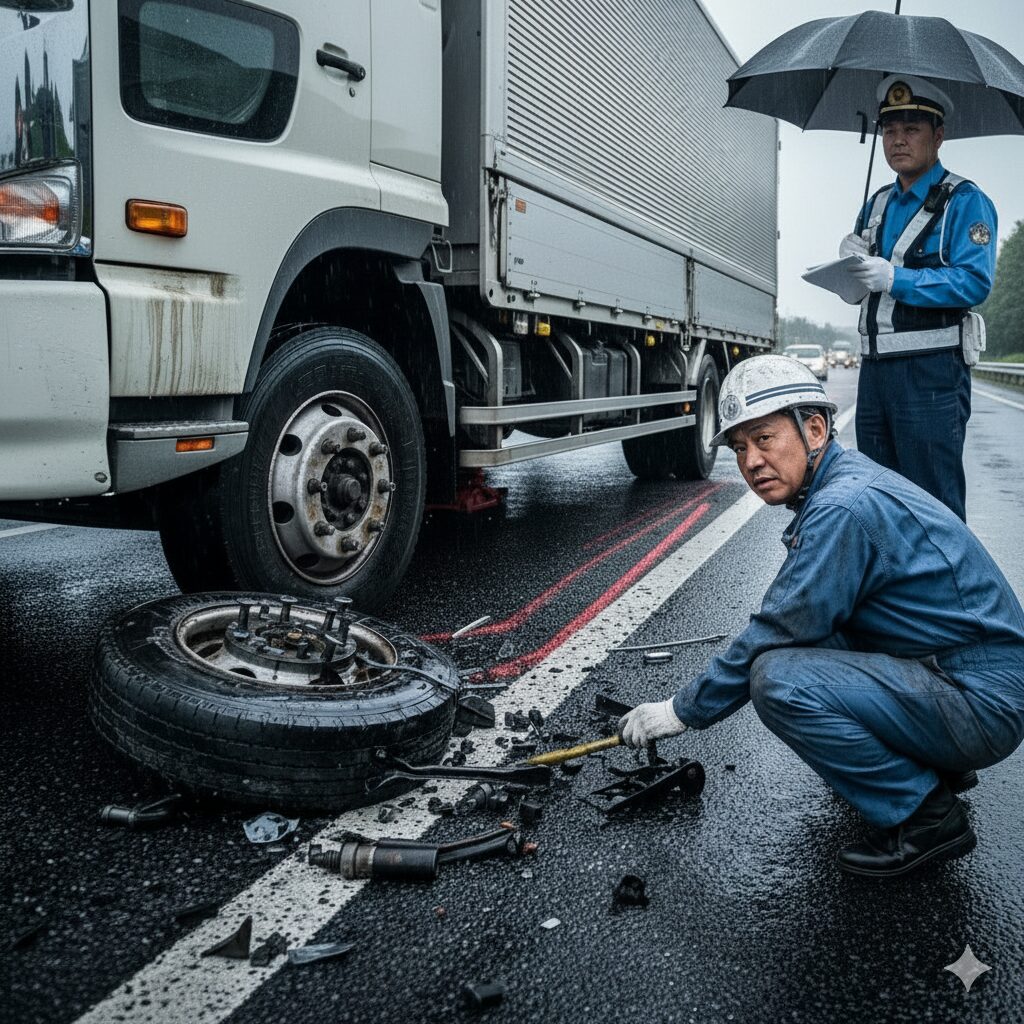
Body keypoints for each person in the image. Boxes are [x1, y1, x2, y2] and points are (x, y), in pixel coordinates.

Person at [619, 355, 1024, 878]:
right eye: (740, 448)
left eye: (764, 439)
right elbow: (807, 615)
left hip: (982, 703)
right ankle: (937, 765)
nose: (751, 462)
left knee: (778, 678)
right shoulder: (843, 484)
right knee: (814, 639)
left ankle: (926, 817)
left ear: (813, 429)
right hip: (971, 680)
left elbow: (778, 627)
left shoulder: (841, 507)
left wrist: (680, 711)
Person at [843, 74, 997, 522]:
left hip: (931, 376)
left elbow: (973, 282)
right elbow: (863, 293)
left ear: (938, 135)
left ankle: (948, 593)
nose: (898, 140)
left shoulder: (965, 201)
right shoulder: (876, 203)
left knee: (933, 507)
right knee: (877, 498)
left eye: (911, 129)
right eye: (889, 130)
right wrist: (848, 267)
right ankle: (892, 592)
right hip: (875, 376)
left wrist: (897, 278)